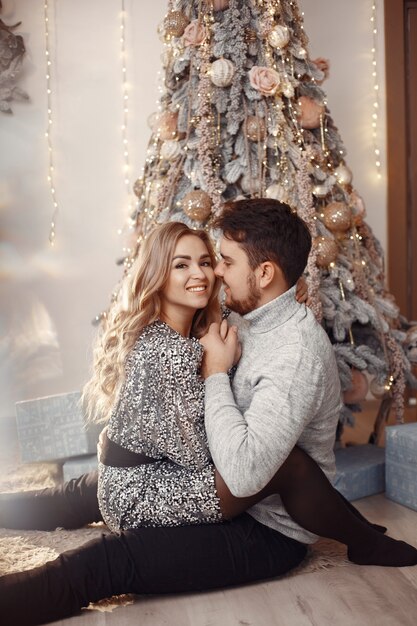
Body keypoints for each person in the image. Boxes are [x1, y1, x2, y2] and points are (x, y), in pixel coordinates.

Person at [0, 207, 416, 625]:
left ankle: (364, 540)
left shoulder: (294, 354)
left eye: (223, 261)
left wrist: (215, 371)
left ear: (265, 273)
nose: (215, 272)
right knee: (84, 493)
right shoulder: (241, 314)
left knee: (108, 559)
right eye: (205, 261)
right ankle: (363, 537)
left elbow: (243, 472)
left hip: (265, 530)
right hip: (216, 484)